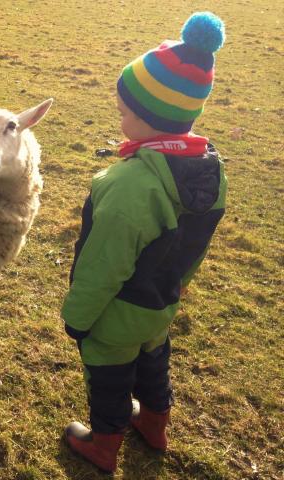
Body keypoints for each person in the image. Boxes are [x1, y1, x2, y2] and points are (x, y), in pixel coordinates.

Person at [61, 12, 227, 472]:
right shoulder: (211, 171)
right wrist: (176, 287)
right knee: (154, 360)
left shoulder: (127, 186)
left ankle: (104, 445)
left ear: (151, 118)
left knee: (110, 375)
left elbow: (103, 264)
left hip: (118, 310)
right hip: (163, 301)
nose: (119, 117)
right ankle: (155, 426)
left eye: (123, 111)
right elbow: (197, 246)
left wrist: (77, 318)